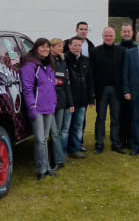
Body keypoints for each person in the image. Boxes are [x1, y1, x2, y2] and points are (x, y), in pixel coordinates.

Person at [21, 38, 58, 180]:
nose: (45, 49)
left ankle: (46, 166)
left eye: (47, 47)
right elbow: (27, 89)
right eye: (42, 47)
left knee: (44, 138)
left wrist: (54, 103)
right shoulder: (30, 65)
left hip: (49, 107)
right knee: (39, 139)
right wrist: (32, 107)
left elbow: (52, 86)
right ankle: (41, 168)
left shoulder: (48, 65)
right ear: (36, 48)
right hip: (37, 108)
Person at [90, 27, 126, 154]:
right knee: (101, 118)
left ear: (114, 36)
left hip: (116, 90)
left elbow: (124, 72)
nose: (108, 37)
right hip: (101, 90)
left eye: (110, 35)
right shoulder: (95, 51)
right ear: (102, 36)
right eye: (106, 35)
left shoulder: (121, 51)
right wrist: (92, 92)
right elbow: (91, 73)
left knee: (115, 118)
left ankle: (115, 143)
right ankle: (99, 144)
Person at [64, 37, 94, 159]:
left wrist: (91, 97)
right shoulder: (64, 60)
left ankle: (75, 149)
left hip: (82, 100)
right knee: (65, 128)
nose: (77, 48)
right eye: (74, 45)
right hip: (68, 100)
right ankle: (63, 151)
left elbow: (90, 80)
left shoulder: (85, 60)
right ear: (69, 46)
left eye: (79, 46)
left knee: (78, 126)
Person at [49, 38, 72, 169]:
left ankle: (58, 159)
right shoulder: (48, 61)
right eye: (58, 46)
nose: (61, 48)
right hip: (50, 101)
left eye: (62, 46)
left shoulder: (63, 62)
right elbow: (53, 81)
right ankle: (57, 159)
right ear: (52, 47)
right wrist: (58, 81)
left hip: (62, 101)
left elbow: (65, 83)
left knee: (57, 131)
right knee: (53, 132)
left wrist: (70, 102)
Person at [118, 22, 137, 148]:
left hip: (133, 87)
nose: (126, 33)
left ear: (132, 33)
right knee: (119, 115)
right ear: (121, 33)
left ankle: (130, 139)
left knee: (132, 114)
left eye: (128, 31)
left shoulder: (137, 48)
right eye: (124, 31)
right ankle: (120, 139)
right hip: (119, 87)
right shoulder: (116, 47)